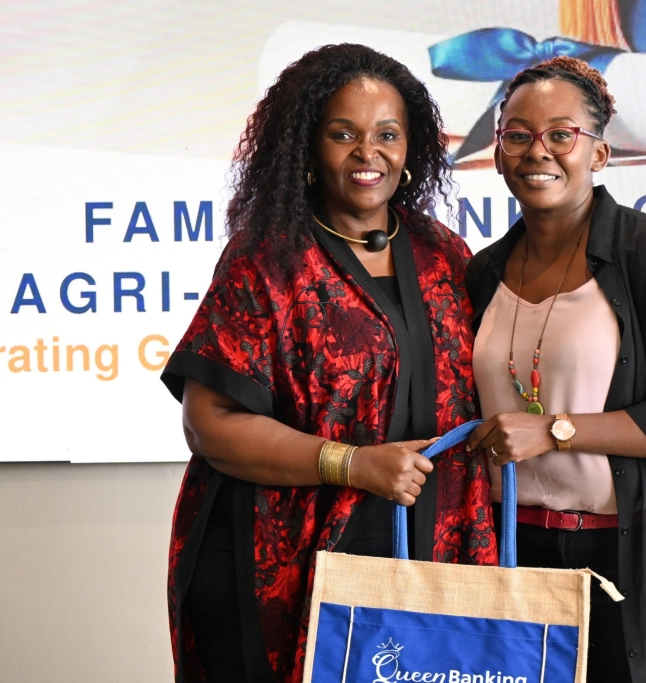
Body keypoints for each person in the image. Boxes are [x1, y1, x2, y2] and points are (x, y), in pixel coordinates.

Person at [160, 44, 496, 683]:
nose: (369, 154)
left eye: (387, 135)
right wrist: (356, 464)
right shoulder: (266, 260)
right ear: (307, 147)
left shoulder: (444, 252)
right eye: (344, 134)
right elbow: (211, 425)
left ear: (412, 145)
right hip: (286, 567)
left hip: (430, 559)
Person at [465, 56, 646, 683]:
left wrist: (554, 430)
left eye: (561, 134)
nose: (538, 151)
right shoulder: (481, 272)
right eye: (517, 134)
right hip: (514, 553)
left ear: (598, 153)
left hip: (632, 554)